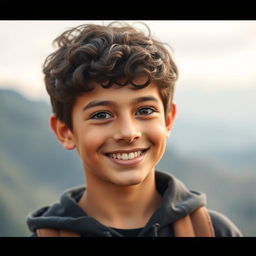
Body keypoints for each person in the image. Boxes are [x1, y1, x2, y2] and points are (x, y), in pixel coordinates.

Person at [26, 22, 242, 237]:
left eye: (145, 110)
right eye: (101, 115)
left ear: (168, 120)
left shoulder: (213, 231)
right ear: (65, 132)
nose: (129, 133)